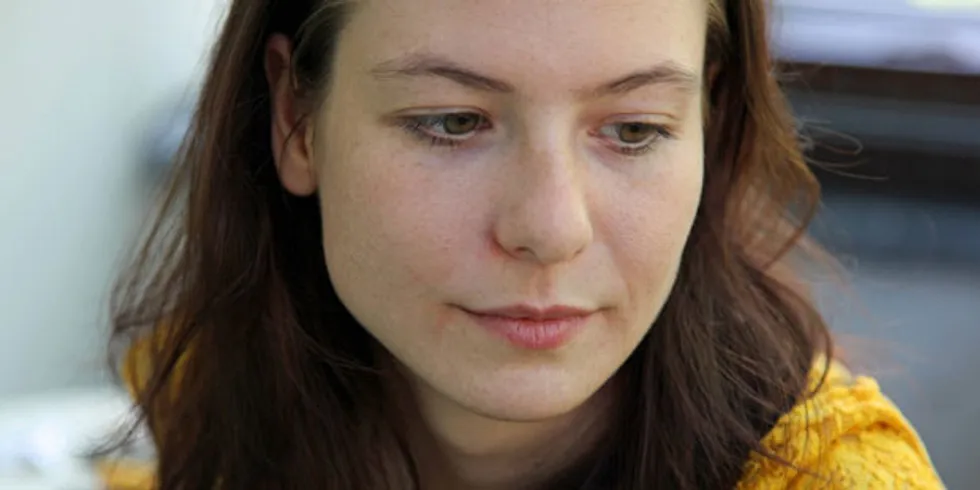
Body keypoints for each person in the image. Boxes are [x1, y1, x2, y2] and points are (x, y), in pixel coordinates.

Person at [108, 0, 945, 488]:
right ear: (298, 120)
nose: (550, 230)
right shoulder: (210, 397)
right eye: (452, 122)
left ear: (708, 121)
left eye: (634, 130)